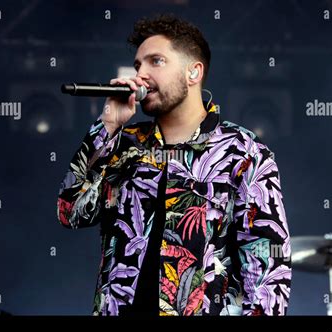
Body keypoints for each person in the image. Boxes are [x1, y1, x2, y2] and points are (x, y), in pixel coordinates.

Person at [57, 14, 292, 316]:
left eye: (156, 61)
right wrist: (107, 126)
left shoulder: (243, 151)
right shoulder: (123, 143)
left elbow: (268, 267)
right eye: (138, 65)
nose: (141, 74)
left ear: (193, 72)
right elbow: (69, 211)